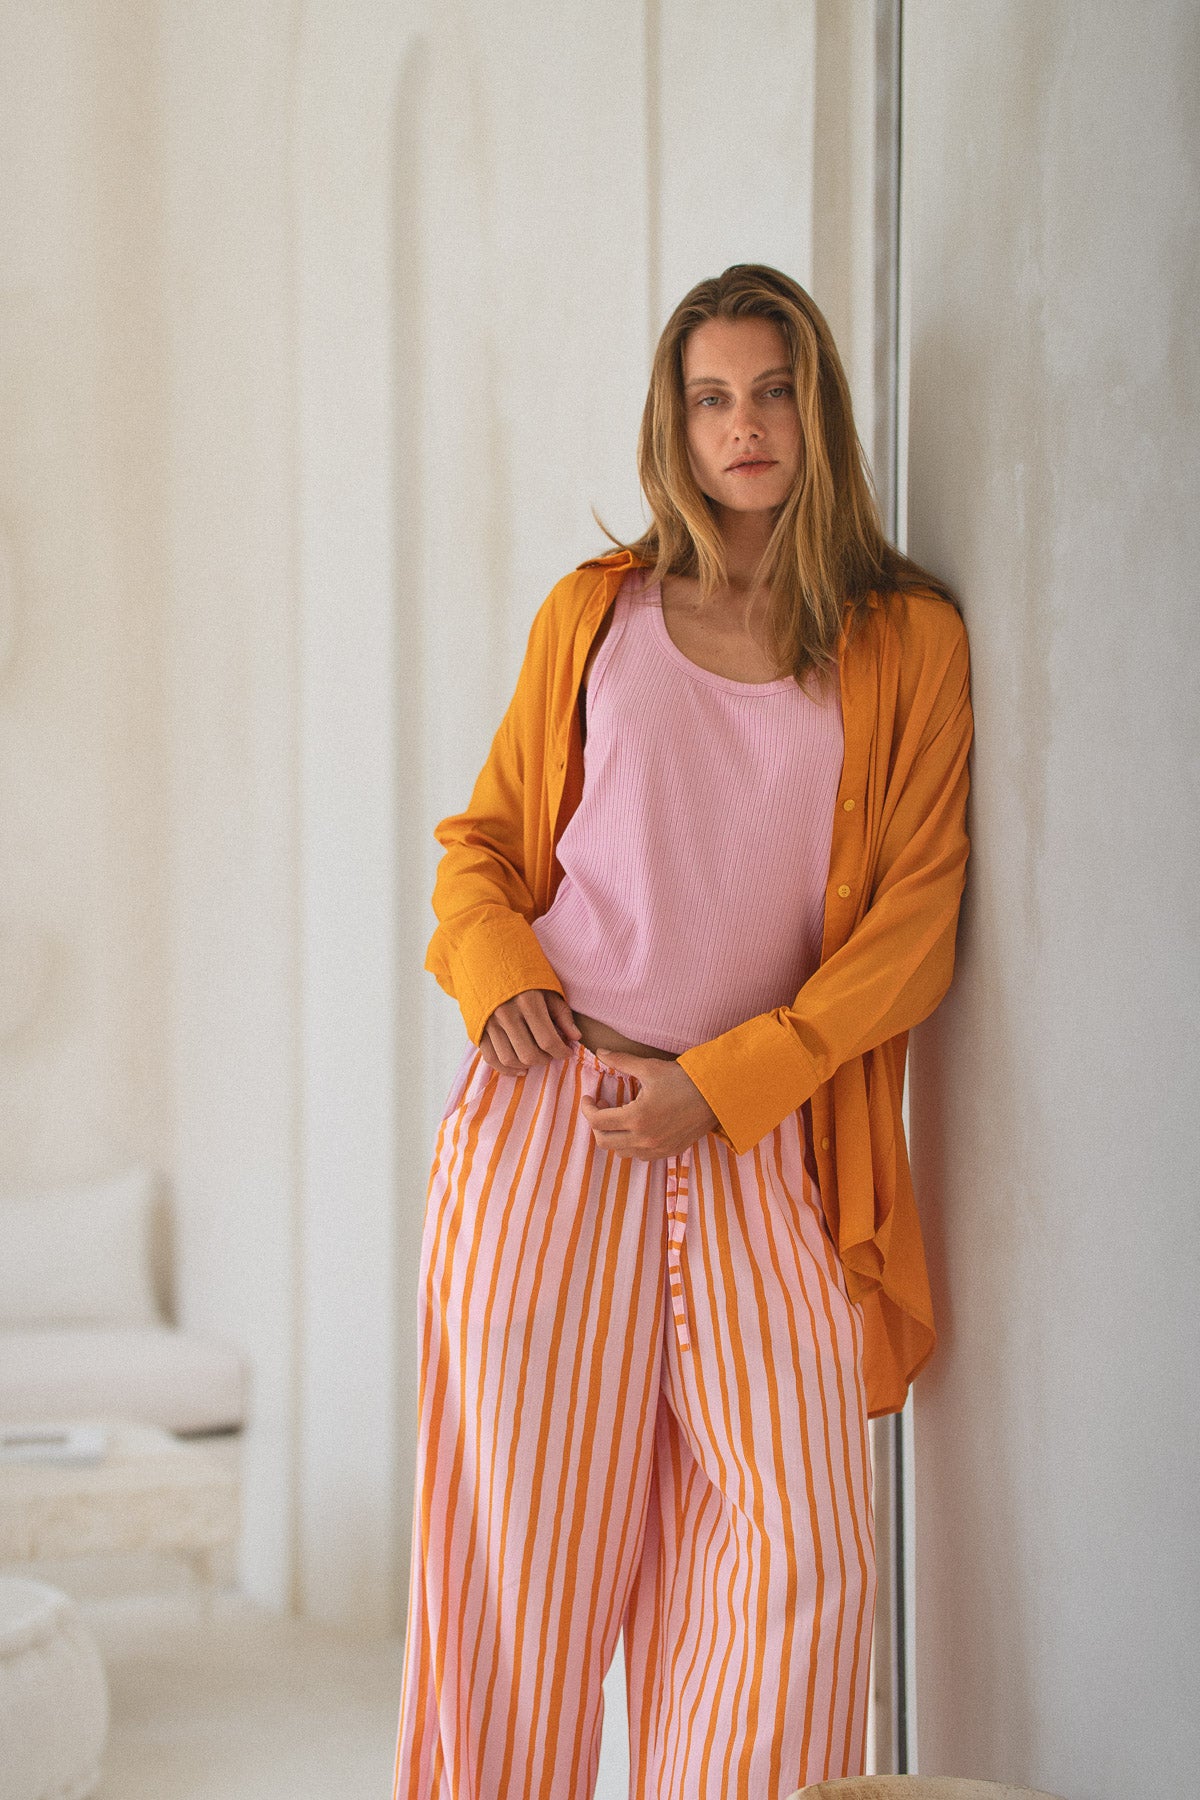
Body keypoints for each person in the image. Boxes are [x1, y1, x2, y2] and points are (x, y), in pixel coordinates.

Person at [392, 263, 972, 1800]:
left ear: (818, 408)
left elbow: (912, 931)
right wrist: (494, 962)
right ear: (676, 423)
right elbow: (484, 846)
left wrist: (726, 1088)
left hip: (757, 1132)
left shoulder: (905, 642)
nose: (747, 425)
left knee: (805, 1550)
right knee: (520, 1573)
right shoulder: (601, 614)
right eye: (714, 397)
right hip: (551, 1119)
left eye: (774, 390)